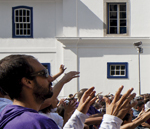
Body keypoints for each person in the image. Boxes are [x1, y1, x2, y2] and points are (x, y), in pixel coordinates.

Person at [0, 54, 134, 129]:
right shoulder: (36, 123)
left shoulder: (9, 115)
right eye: (44, 73)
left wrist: (79, 115)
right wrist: (112, 120)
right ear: (27, 82)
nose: (51, 78)